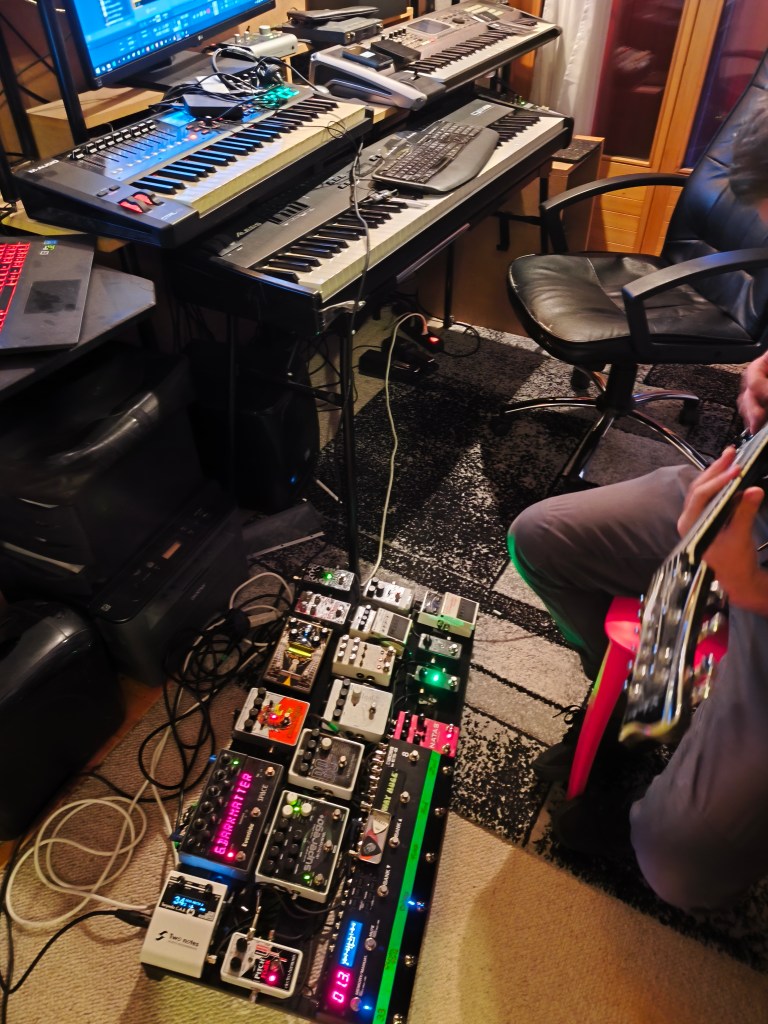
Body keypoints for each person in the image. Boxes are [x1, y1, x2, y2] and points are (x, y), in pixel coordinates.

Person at [507, 101, 768, 913]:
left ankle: (678, 715)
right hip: (748, 504)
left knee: (676, 862)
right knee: (539, 537)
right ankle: (635, 696)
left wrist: (747, 588)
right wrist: (760, 371)